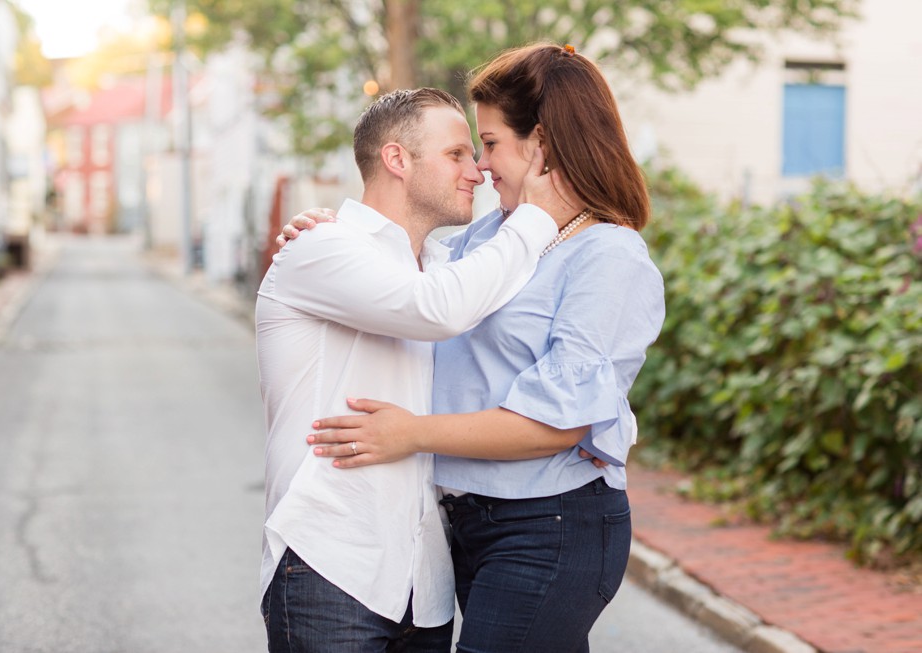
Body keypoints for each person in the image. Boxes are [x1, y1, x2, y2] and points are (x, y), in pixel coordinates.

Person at [284, 43, 666, 652]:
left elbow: (556, 427)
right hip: (465, 523)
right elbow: (419, 290)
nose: (482, 167)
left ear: (542, 144)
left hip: (552, 523)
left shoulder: (608, 257)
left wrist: (413, 433)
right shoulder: (492, 234)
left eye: (488, 144)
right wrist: (336, 231)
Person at [255, 87, 578, 652]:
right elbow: (434, 309)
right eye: (456, 154)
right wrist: (534, 219)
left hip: (423, 583)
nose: (477, 170)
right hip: (330, 565)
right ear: (397, 160)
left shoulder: (442, 264)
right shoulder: (320, 249)